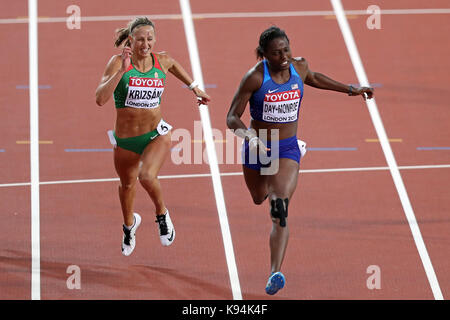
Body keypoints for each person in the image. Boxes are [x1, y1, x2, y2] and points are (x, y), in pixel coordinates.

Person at [226, 26, 373, 295]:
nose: (283, 56)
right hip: (258, 147)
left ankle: (274, 272)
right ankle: (269, 189)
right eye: (275, 53)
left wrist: (351, 89)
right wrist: (249, 137)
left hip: (285, 148)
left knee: (278, 207)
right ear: (264, 55)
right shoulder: (255, 78)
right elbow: (231, 118)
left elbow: (314, 77)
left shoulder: (298, 66)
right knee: (259, 197)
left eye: (286, 49)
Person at [95, 17, 210, 256]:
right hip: (126, 140)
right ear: (130, 40)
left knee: (147, 176)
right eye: (140, 39)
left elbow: (174, 65)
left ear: (155, 39)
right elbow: (100, 99)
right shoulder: (117, 63)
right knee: (127, 186)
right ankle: (129, 226)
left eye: (149, 39)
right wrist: (122, 72)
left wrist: (194, 87)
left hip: (155, 134)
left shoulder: (162, 60)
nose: (145, 44)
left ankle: (161, 213)